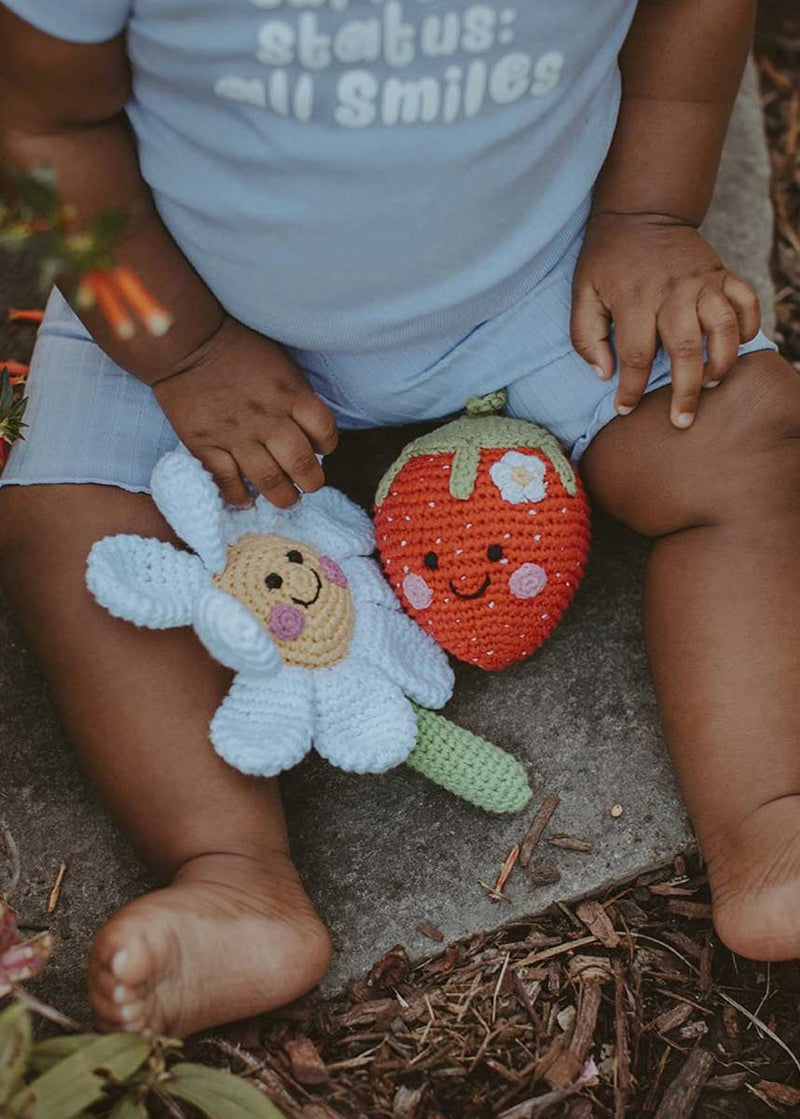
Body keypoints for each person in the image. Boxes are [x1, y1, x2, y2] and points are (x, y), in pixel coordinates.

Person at [0, 0, 797, 1038]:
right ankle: (232, 874)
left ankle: (769, 818)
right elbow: (43, 132)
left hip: (540, 278)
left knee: (743, 439)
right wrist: (180, 351)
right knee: (73, 532)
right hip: (179, 301)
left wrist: (646, 216)